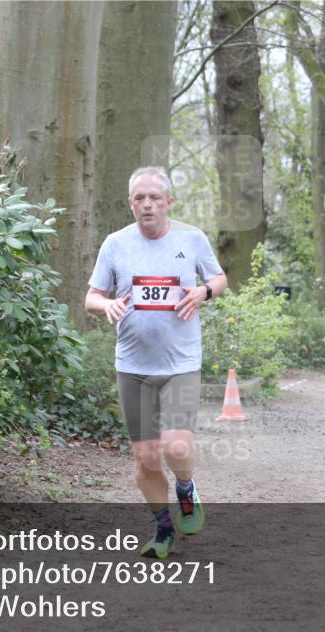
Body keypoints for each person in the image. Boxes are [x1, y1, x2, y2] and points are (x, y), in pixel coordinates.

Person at [85, 166, 227, 560]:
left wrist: (203, 292)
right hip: (132, 364)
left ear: (169, 202)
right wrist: (107, 304)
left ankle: (186, 488)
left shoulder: (191, 239)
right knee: (146, 456)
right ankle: (163, 528)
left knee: (177, 447)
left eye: (154, 198)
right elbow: (91, 296)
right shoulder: (115, 244)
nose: (147, 204)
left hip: (181, 362)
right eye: (139, 198)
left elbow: (219, 279)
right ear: (130, 203)